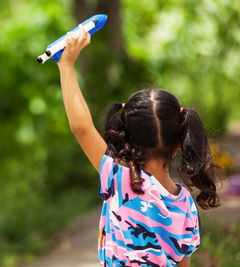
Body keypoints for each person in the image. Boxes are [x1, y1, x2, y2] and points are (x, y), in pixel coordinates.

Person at [57, 25, 221, 266]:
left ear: (128, 138)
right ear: (178, 143)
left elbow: (82, 127)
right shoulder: (185, 204)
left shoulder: (119, 180)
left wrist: (66, 65)